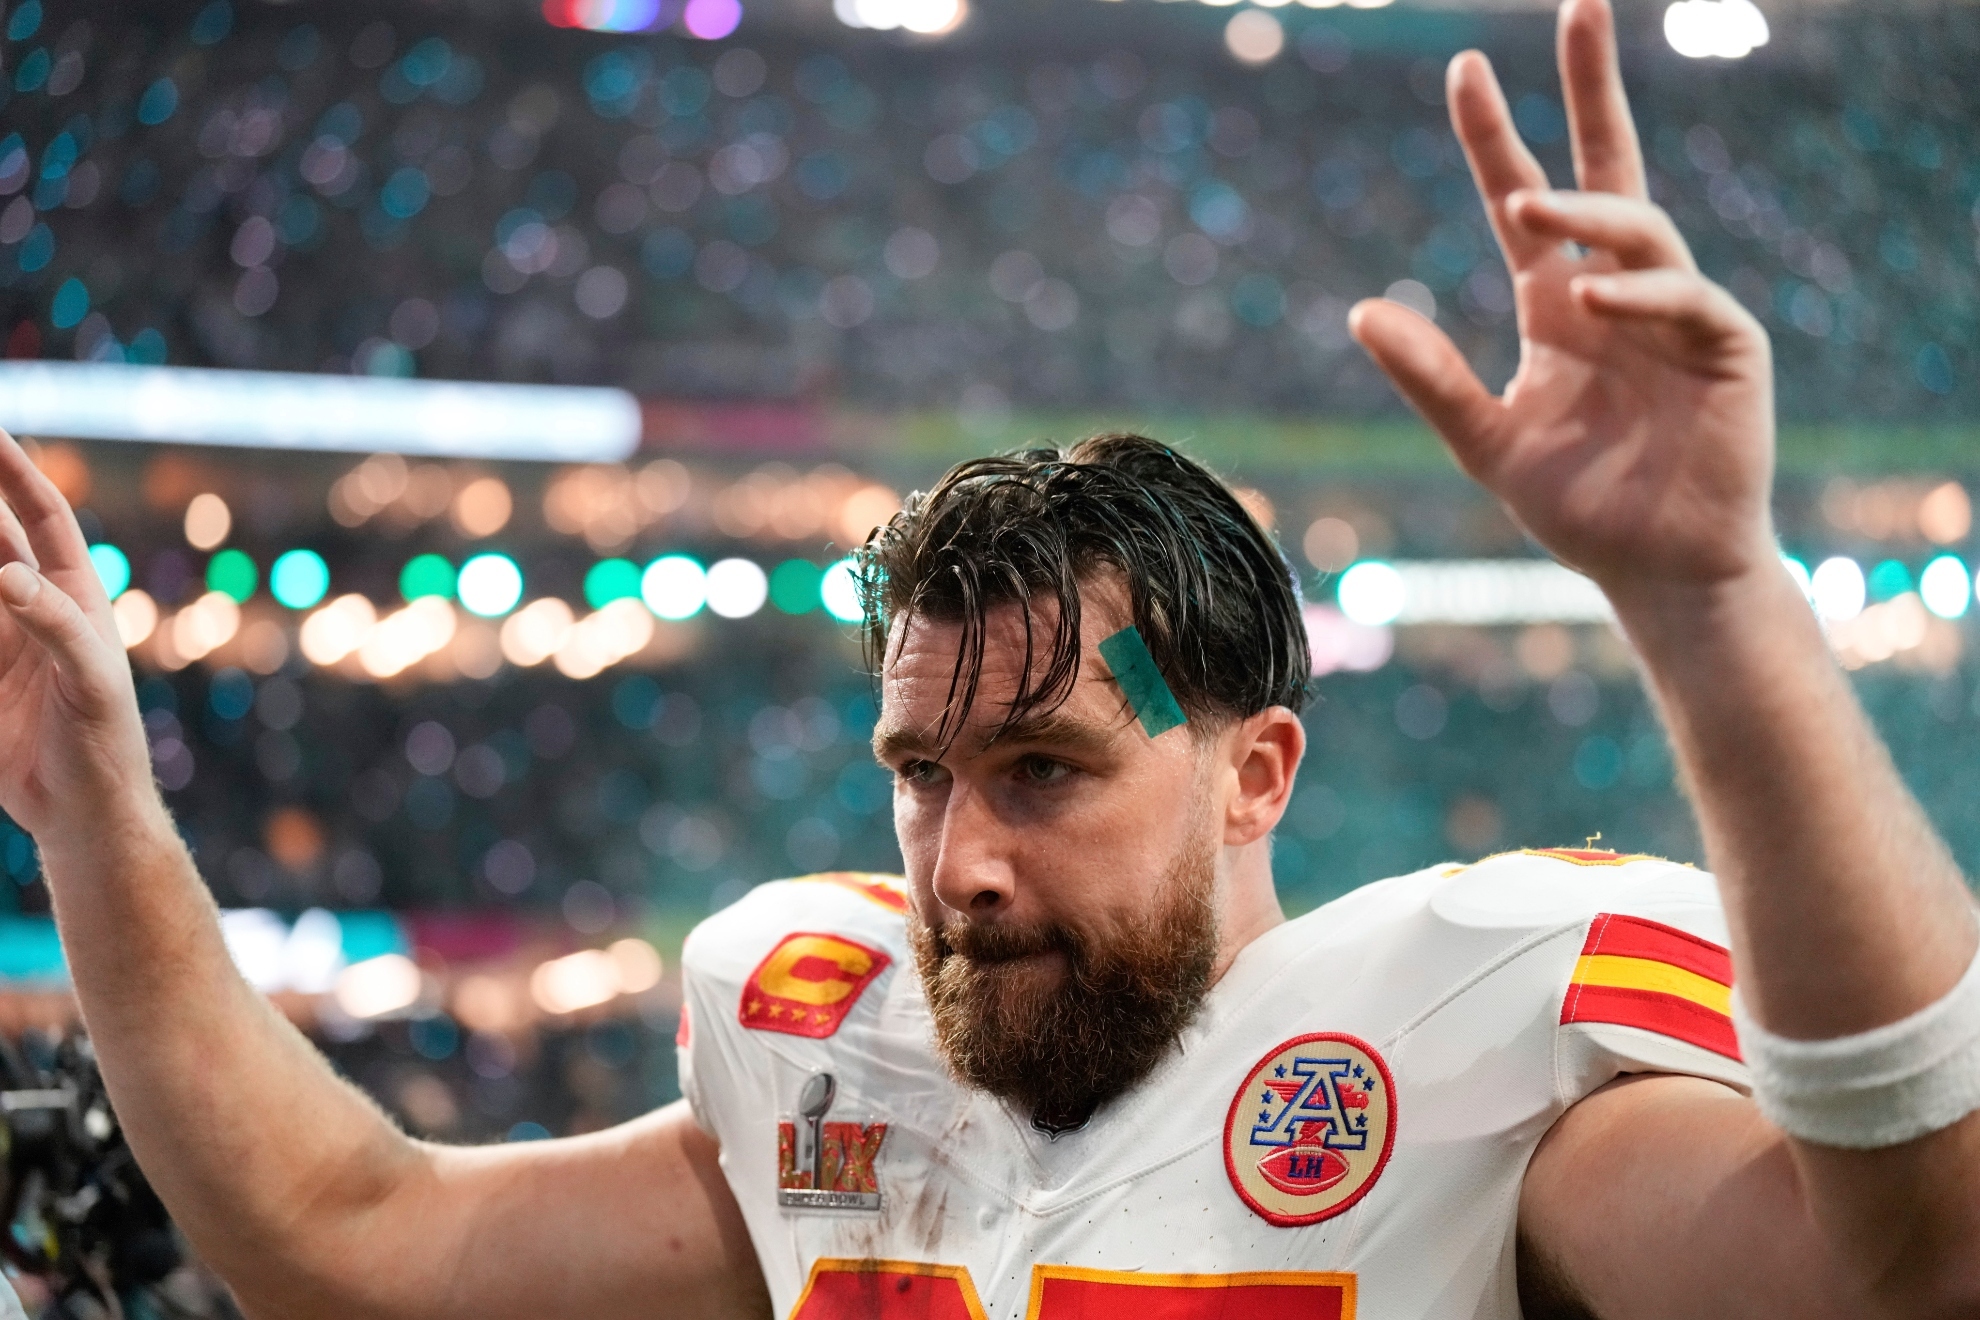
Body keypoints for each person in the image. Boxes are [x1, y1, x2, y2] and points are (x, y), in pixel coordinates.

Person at [0, 0, 1977, 1315]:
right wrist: (91, 803)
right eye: (921, 774)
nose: (958, 865)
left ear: (1255, 769)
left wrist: (1715, 608)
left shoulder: (1485, 1069)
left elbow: (1915, 1264)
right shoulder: (824, 1053)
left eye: (1044, 770)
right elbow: (347, 1246)